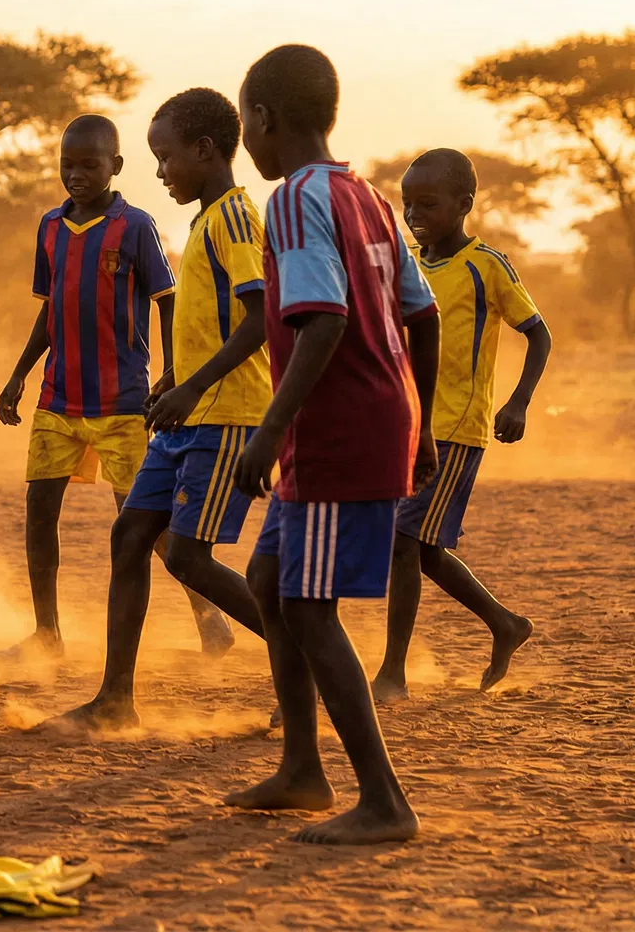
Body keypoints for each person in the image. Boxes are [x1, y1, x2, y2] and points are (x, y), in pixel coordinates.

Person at [225, 44, 439, 844]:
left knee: (309, 610)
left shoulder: (292, 198)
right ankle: (301, 769)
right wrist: (415, 422)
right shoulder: (368, 196)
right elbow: (423, 313)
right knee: (272, 575)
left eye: (247, 119)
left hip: (334, 423)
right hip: (378, 414)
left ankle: (384, 801)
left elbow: (326, 318)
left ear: (262, 119)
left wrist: (270, 431)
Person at [61, 89, 272, 732]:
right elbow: (215, 322)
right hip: (190, 413)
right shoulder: (205, 219)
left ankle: (313, 655)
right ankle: (114, 701)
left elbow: (261, 318)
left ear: (205, 151)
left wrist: (190, 386)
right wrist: (176, 380)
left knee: (187, 555)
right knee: (130, 537)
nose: (159, 172)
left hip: (228, 415)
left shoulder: (236, 219)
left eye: (165, 157)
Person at [0, 114, 233, 670]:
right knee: (38, 513)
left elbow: (167, 301)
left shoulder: (136, 228)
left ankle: (209, 618)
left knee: (144, 523)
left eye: (89, 165)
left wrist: (172, 372)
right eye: (67, 165)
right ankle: (47, 632)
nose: (76, 175)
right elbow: (49, 310)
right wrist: (19, 373)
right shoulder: (50, 227)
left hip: (124, 403)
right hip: (58, 398)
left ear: (116, 167)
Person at [371, 149, 547, 701]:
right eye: (407, 205)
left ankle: (392, 675)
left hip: (454, 429)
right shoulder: (406, 264)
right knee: (421, 550)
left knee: (403, 541)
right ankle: (504, 623)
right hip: (405, 426)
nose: (414, 215)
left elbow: (538, 334)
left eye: (428, 203)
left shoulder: (486, 266)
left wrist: (517, 403)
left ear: (464, 204)